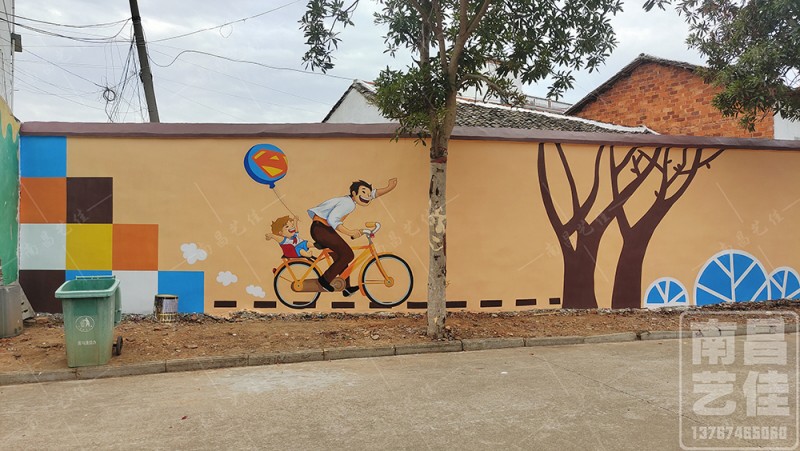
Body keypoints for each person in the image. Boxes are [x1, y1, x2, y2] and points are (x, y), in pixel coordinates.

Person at [307, 178, 397, 296]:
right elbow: (332, 219)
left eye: (368, 194)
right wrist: (350, 232)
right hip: (321, 229)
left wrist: (389, 188)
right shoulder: (348, 203)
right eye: (363, 192)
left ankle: (346, 288)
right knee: (348, 254)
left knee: (341, 257)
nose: (367, 196)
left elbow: (373, 194)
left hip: (321, 229)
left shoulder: (350, 201)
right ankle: (324, 280)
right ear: (354, 193)